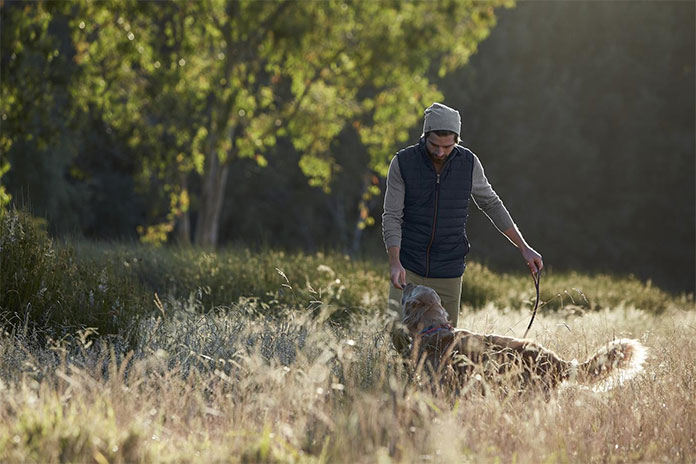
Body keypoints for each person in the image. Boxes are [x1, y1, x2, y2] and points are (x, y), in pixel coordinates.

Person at [382, 102, 543, 335]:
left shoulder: (469, 164)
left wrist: (524, 248)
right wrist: (395, 262)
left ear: (456, 140)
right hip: (409, 267)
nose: (439, 152)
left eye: (447, 146)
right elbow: (392, 216)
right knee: (397, 332)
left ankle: (428, 373)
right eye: (434, 144)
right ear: (425, 135)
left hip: (448, 269)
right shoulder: (403, 163)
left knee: (442, 343)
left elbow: (491, 204)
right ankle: (406, 372)